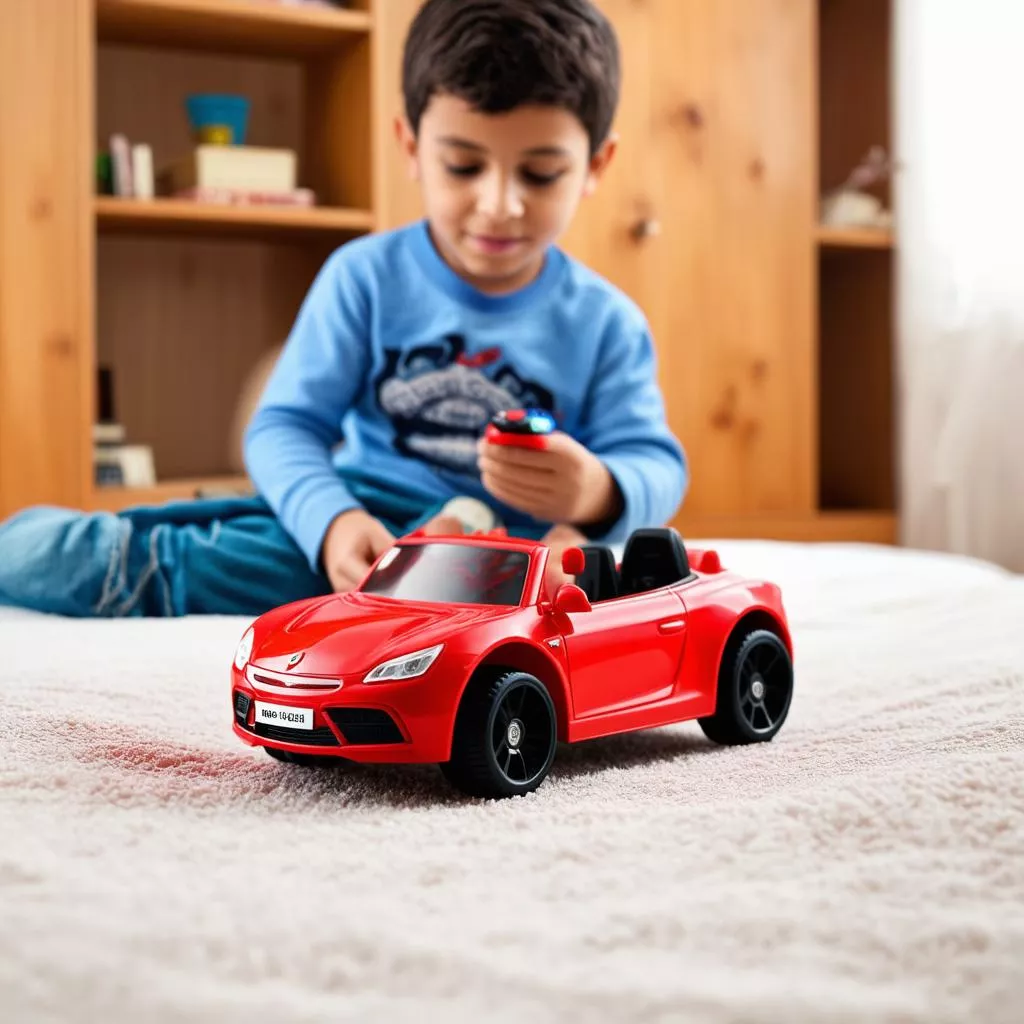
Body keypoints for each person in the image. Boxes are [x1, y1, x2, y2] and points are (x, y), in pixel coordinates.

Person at [0, 0, 687, 618]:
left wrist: (597, 492)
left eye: (540, 173)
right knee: (114, 558)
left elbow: (655, 462)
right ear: (411, 147)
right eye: (463, 166)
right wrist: (331, 524)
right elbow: (284, 428)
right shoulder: (365, 278)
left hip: (520, 565)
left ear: (597, 165)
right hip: (369, 534)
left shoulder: (607, 321)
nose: (499, 204)